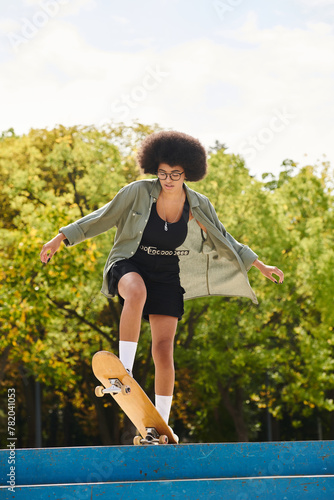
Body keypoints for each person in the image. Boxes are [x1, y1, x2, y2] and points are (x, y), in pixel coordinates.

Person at [40, 130, 284, 441]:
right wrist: (61, 237)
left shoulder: (198, 204)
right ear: (155, 169)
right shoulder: (137, 192)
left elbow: (226, 238)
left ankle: (160, 427)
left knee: (164, 349)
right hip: (129, 263)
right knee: (136, 292)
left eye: (175, 175)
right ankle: (121, 373)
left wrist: (259, 265)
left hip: (167, 274)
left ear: (188, 174)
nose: (168, 180)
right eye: (163, 173)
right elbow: (102, 218)